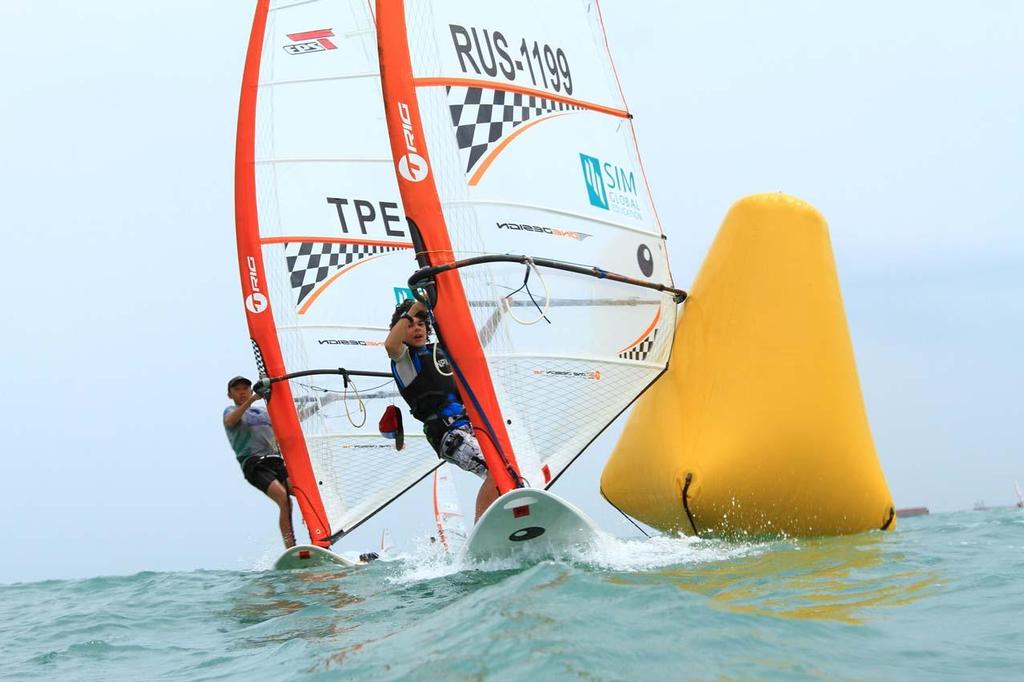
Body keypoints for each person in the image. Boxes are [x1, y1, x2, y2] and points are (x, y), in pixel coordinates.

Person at [385, 299, 499, 520]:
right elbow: (390, 345)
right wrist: (413, 310)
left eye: (420, 323)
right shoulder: (404, 359)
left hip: (470, 426)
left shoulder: (441, 353)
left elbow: (478, 345)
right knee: (495, 471)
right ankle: (480, 530)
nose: (416, 328)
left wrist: (500, 312)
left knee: (509, 469)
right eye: (409, 325)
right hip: (447, 434)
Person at [223, 376, 295, 549]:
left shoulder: (263, 412)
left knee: (304, 492)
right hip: (254, 464)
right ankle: (291, 548)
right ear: (230, 394)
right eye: (237, 389)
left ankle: (319, 535)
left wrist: (325, 402)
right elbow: (231, 421)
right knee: (284, 500)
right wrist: (252, 399)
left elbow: (292, 419)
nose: (242, 392)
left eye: (245, 388)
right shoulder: (230, 410)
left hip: (276, 462)